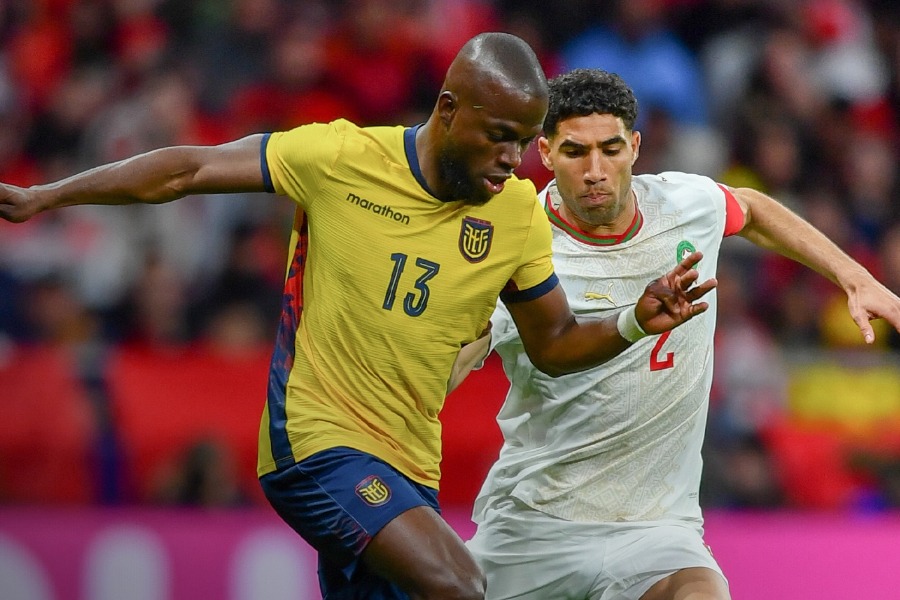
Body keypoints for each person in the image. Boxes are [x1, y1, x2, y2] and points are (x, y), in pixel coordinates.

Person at [0, 35, 716, 600]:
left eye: (524, 140)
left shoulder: (516, 216)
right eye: (499, 135)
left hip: (411, 467)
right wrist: (46, 197)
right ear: (449, 110)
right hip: (317, 442)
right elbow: (189, 169)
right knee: (460, 585)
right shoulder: (340, 157)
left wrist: (631, 321)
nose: (512, 159)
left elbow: (553, 342)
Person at [453, 68, 900, 600]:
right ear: (546, 152)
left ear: (635, 147)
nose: (595, 171)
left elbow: (752, 208)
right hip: (533, 524)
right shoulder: (516, 242)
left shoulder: (685, 205)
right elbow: (463, 349)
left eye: (611, 149)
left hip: (656, 530)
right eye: (575, 152)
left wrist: (854, 277)